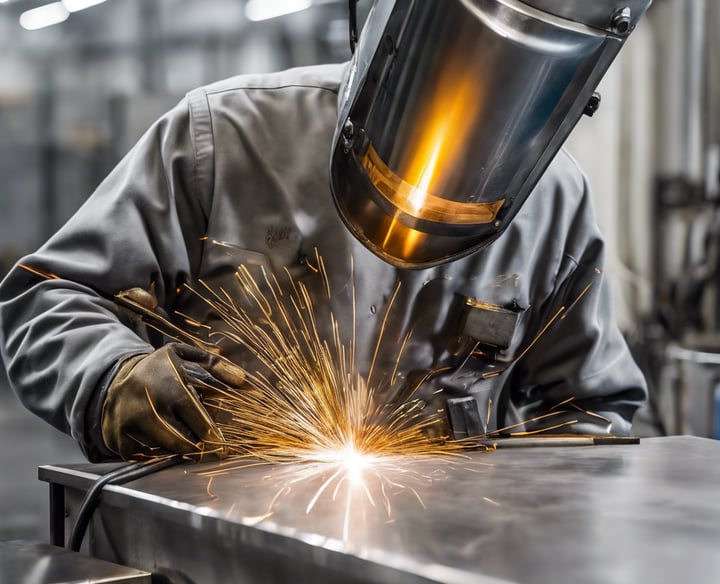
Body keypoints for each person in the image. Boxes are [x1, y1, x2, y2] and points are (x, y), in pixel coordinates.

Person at [0, 0, 650, 462]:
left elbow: (593, 411)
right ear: (389, 47)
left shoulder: (553, 197)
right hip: (214, 531)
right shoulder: (222, 137)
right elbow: (47, 296)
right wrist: (113, 376)